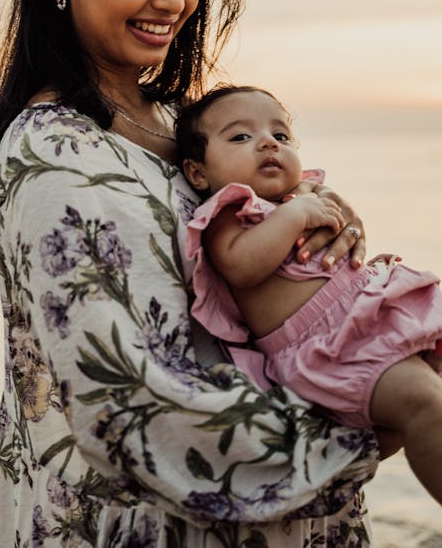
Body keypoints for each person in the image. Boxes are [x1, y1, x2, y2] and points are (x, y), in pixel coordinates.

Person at [0, 0, 384, 547]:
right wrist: (367, 423)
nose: (173, 0)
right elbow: (119, 399)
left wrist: (319, 230)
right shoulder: (52, 150)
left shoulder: (180, 124)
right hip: (134, 525)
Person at [176, 84, 442, 506]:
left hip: (374, 319)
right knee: (427, 405)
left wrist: (365, 276)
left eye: (280, 136)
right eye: (240, 137)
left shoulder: (303, 196)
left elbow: (330, 262)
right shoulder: (229, 212)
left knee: (423, 406)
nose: (267, 142)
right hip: (334, 348)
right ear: (198, 173)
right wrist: (294, 214)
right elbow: (241, 266)